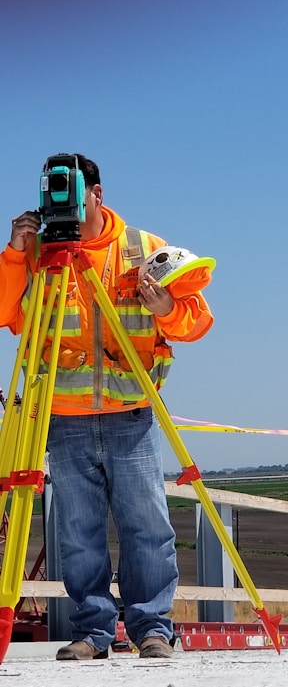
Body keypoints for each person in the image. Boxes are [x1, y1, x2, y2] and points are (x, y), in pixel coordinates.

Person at [0, 153, 214, 660]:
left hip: (132, 415)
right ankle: (93, 633)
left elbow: (198, 322)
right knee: (77, 532)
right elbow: (6, 314)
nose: (60, 203)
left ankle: (152, 629)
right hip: (65, 418)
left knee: (147, 526)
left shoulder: (145, 249)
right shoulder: (36, 256)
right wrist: (13, 253)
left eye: (68, 190)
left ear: (96, 193)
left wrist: (167, 308)